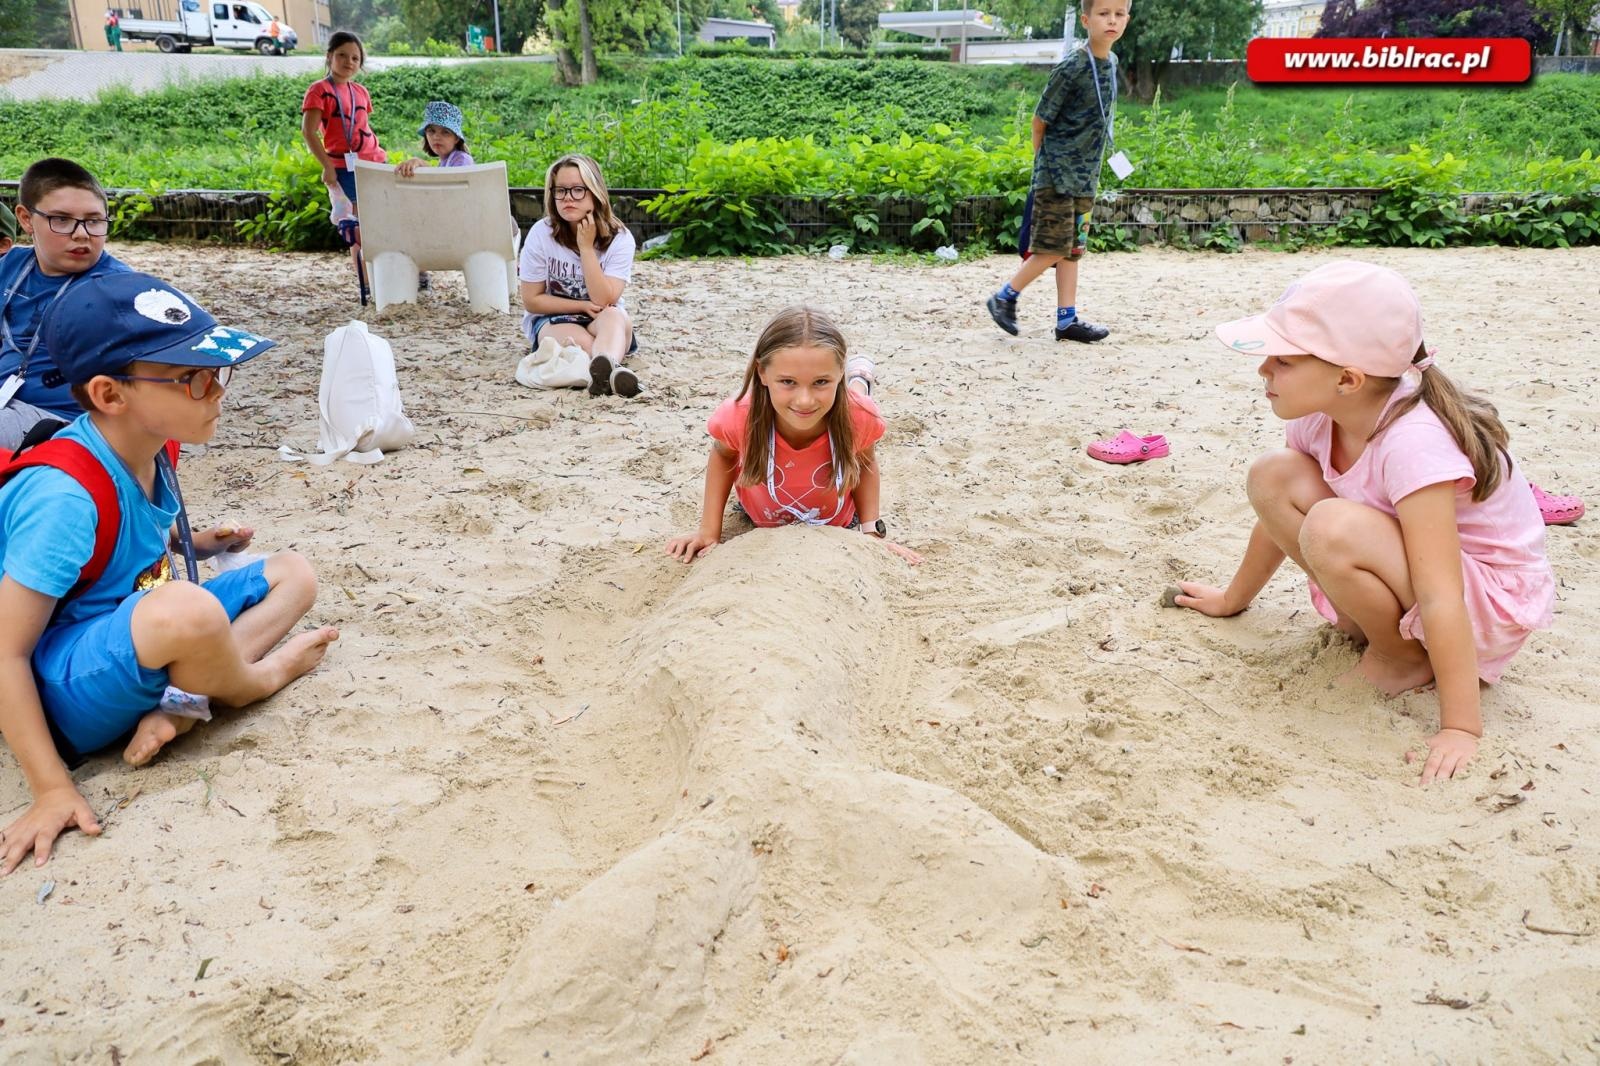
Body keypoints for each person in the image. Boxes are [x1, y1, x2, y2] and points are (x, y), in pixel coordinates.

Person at [0, 272, 339, 875]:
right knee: (189, 607)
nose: (217, 392)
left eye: (217, 373)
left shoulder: (148, 444)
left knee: (294, 573)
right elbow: (6, 652)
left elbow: (129, 537)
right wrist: (51, 789)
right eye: (194, 378)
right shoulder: (64, 496)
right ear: (110, 395)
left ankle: (182, 702)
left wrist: (194, 542)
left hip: (144, 627)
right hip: (68, 686)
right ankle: (248, 683)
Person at [1172, 261, 1554, 785]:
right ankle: (1377, 627)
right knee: (1274, 475)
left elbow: (1442, 592)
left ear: (1348, 379)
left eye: (1282, 360)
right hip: (1412, 571)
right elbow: (1274, 515)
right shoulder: (1318, 415)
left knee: (1332, 525)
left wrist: (1461, 728)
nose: (1264, 370)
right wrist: (1232, 598)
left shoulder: (1414, 442)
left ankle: (1403, 659)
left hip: (1482, 602)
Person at [666, 306, 922, 566]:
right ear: (762, 373)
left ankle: (858, 380)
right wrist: (709, 531)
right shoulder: (737, 416)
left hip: (839, 519)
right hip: (760, 512)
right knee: (843, 405)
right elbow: (723, 454)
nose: (804, 400)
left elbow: (865, 462)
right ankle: (854, 381)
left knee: (858, 407)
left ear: (837, 374)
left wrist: (871, 533)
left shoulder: (861, 417)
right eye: (788, 382)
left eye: (821, 381)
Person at [985, 0, 1129, 344]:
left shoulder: (1111, 63)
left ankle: (1067, 321)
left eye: (1119, 14)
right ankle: (1004, 297)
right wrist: (1043, 167)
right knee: (1052, 246)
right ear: (1085, 19)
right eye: (1103, 13)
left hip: (1085, 176)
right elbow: (1040, 120)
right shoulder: (1072, 66)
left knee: (1073, 249)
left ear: (1127, 19)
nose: (1111, 20)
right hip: (1057, 176)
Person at [1, 158, 132, 452]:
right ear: (25, 218)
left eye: (94, 221)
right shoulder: (10, 267)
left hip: (67, 422)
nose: (81, 233)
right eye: (61, 219)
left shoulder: (122, 289)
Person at [518, 154, 640, 398]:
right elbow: (532, 300)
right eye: (561, 191)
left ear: (595, 194)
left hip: (604, 315)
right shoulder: (542, 234)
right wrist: (582, 305)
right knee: (585, 349)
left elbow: (605, 299)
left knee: (615, 317)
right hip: (555, 319)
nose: (568, 198)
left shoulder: (621, 238)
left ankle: (605, 370)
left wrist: (586, 248)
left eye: (577, 190)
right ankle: (610, 372)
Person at [300, 31, 387, 211]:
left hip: (375, 162)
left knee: (381, 212)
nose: (349, 61)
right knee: (356, 218)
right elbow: (308, 132)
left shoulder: (361, 91)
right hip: (343, 166)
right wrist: (327, 166)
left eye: (355, 58)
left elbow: (362, 126)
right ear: (329, 56)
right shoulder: (319, 90)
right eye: (342, 55)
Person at [396, 100, 474, 177]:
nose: (436, 137)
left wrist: (422, 163)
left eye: (445, 132)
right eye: (431, 131)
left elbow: (448, 184)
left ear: (456, 138)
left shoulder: (462, 159)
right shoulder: (443, 162)